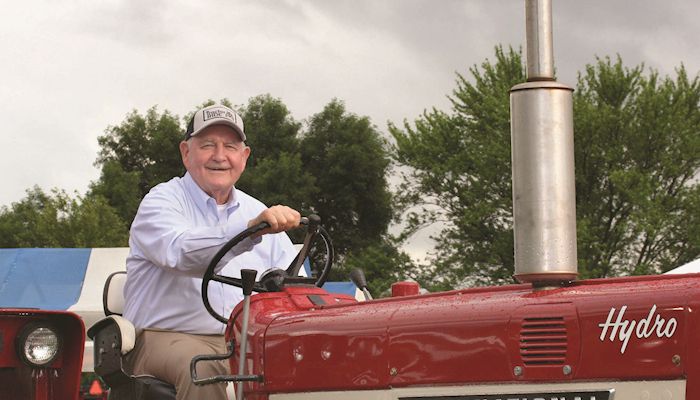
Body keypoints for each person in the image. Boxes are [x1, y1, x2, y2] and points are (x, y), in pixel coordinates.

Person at [123, 104, 301, 399]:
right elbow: (179, 253)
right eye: (207, 145)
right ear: (186, 152)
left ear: (244, 157)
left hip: (247, 342)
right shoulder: (161, 202)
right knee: (202, 368)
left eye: (230, 146)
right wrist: (248, 232)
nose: (220, 156)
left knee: (309, 363)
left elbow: (292, 287)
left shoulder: (259, 211)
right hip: (164, 338)